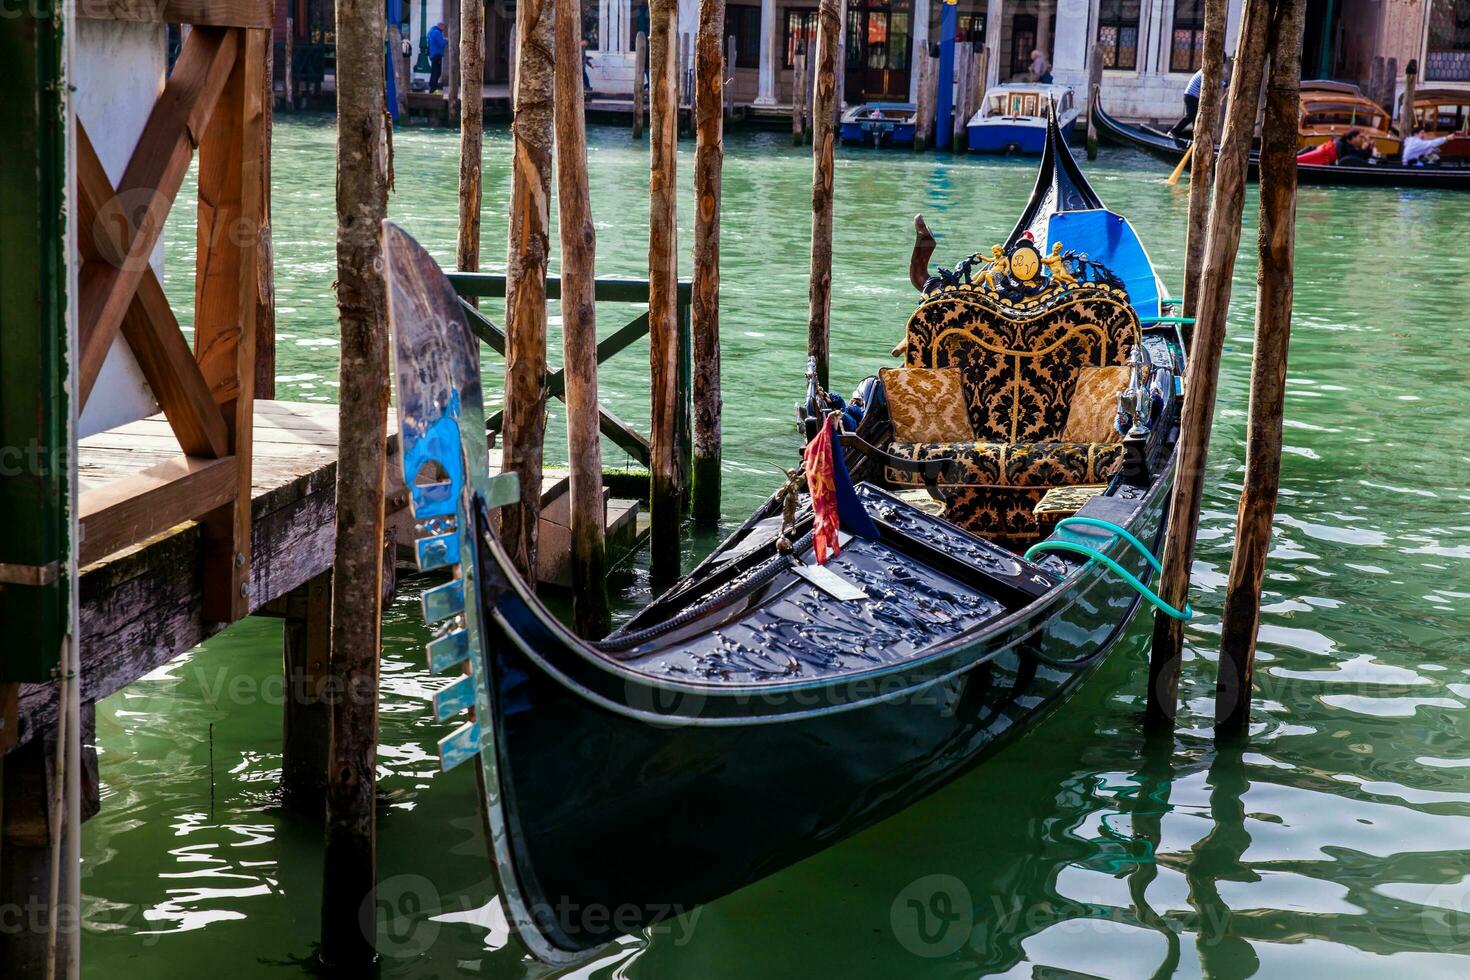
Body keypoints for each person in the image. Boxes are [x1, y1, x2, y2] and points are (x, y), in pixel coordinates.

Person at [1296, 128, 1373, 166]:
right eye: (1359, 137)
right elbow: (1354, 157)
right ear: (1353, 138)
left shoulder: (1350, 146)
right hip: (1324, 154)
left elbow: (1361, 159)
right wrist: (1363, 148)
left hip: (1325, 155)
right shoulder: (1348, 146)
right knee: (1299, 160)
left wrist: (1369, 147)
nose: (1361, 139)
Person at [1170, 68, 1205, 138]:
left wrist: (1224, 84)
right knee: (1191, 115)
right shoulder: (1206, 71)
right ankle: (1173, 131)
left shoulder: (1204, 70)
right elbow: (1210, 82)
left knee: (1195, 117)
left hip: (1191, 95)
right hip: (1191, 96)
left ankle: (1196, 137)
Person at [427, 20, 448, 93]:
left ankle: (432, 86)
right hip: (437, 54)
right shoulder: (437, 32)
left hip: (433, 54)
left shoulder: (432, 31)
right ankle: (433, 88)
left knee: (434, 71)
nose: (444, 29)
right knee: (437, 72)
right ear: (441, 26)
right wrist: (447, 40)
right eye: (444, 27)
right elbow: (441, 43)